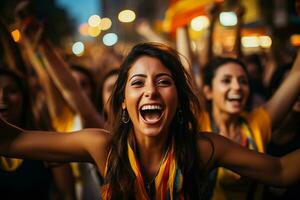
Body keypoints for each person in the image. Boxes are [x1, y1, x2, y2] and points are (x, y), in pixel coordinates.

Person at [0, 43, 300, 200]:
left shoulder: (202, 148)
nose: (151, 91)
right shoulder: (102, 146)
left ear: (179, 99)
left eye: (163, 81)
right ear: (122, 101)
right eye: (138, 83)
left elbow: (281, 171)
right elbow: (10, 141)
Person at [199, 54, 300, 200]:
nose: (237, 87)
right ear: (208, 91)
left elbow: (297, 74)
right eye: (226, 81)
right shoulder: (198, 124)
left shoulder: (256, 124)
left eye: (243, 81)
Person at [0, 68, 75, 200]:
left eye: (11, 91)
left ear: (25, 98)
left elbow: (68, 195)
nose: (2, 97)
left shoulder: (47, 143)